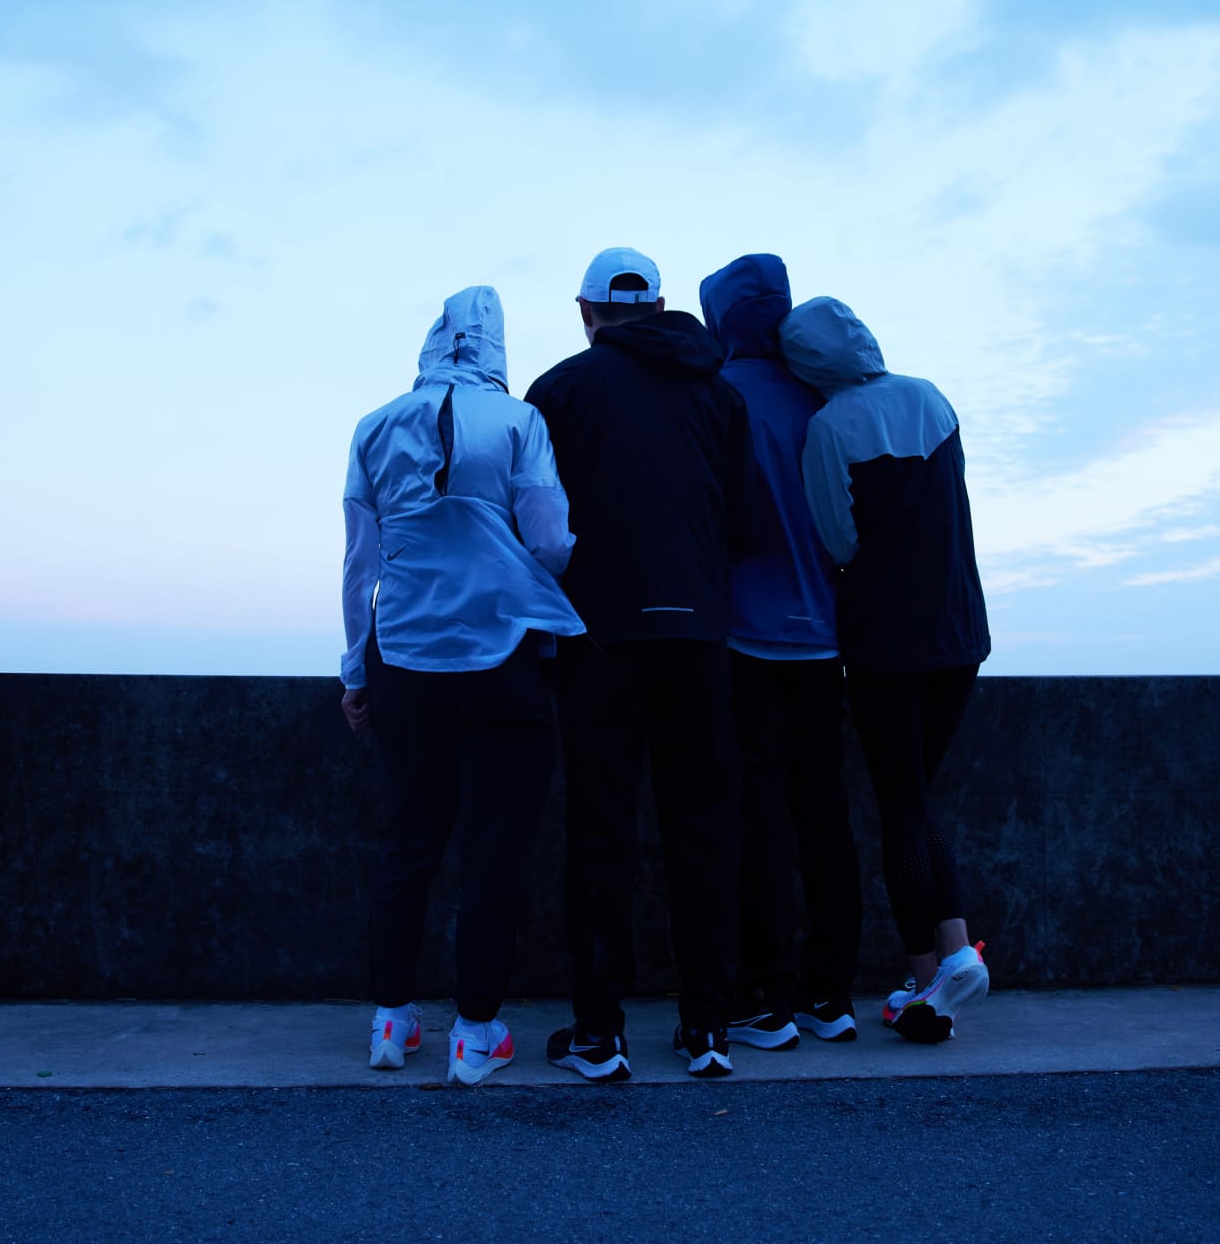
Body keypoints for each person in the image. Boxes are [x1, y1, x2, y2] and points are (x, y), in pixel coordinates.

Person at [339, 284, 585, 1086]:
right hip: (500, 654)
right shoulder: (519, 422)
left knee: (408, 841)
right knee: (491, 848)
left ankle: (390, 1019)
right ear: (497, 346)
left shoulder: (374, 426)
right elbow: (549, 542)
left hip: (403, 654)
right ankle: (475, 1032)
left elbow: (360, 565)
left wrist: (355, 670)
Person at [525, 247, 753, 1080]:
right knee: (704, 829)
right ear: (658, 307)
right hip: (698, 637)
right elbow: (746, 521)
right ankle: (708, 1027)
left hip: (598, 640)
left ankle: (599, 1033)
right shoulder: (719, 393)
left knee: (600, 830)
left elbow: (535, 527)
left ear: (586, 312)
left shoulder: (560, 391)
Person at [779, 295, 993, 1045]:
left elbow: (838, 538)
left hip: (885, 641)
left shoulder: (830, 426)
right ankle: (953, 954)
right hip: (960, 630)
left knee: (900, 806)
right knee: (917, 797)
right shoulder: (931, 397)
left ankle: (931, 972)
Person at [698, 254, 860, 1050]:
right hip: (825, 636)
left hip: (744, 636)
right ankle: (831, 994)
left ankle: (766, 994)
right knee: (824, 813)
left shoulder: (717, 397)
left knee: (757, 817)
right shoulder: (823, 398)